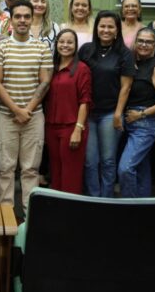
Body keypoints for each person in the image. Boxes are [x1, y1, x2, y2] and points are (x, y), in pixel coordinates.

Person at [0, 0, 52, 210]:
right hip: (7, 116)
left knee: (30, 170)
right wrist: (17, 111)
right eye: (18, 16)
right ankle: (5, 218)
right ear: (11, 19)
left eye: (27, 16)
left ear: (32, 18)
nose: (23, 20)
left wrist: (27, 110)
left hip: (34, 117)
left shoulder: (42, 48)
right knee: (5, 169)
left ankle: (30, 217)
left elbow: (45, 82)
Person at [79, 10, 135, 197]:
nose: (106, 30)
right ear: (96, 28)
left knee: (108, 160)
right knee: (89, 161)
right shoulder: (86, 50)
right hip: (88, 113)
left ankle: (106, 199)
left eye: (110, 26)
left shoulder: (125, 54)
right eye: (102, 26)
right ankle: (94, 198)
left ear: (117, 30)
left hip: (111, 114)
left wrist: (119, 114)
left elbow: (126, 87)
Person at [117, 27, 155, 198]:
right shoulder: (132, 63)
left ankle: (130, 209)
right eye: (140, 40)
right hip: (130, 122)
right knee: (141, 169)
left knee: (125, 169)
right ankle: (143, 208)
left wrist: (141, 114)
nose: (144, 44)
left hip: (145, 125)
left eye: (148, 42)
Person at [44, 29, 91, 194]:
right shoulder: (51, 67)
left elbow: (85, 101)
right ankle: (57, 209)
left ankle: (70, 214)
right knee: (55, 172)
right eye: (62, 41)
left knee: (71, 174)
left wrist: (78, 129)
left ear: (76, 45)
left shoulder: (82, 69)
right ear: (56, 44)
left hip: (72, 127)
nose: (65, 45)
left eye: (70, 42)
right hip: (51, 126)